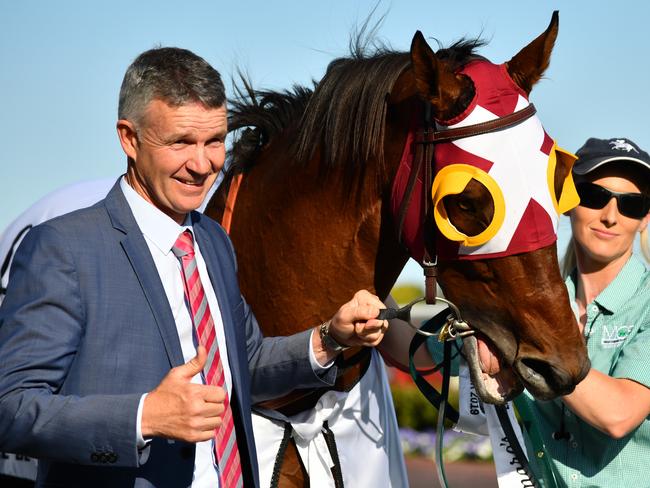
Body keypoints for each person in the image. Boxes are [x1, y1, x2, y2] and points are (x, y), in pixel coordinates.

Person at [0, 47, 388, 488]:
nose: (202, 165)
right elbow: (11, 407)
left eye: (214, 141)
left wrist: (329, 338)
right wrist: (146, 416)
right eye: (181, 142)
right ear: (129, 138)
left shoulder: (213, 242)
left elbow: (245, 366)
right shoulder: (63, 249)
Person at [518, 136, 650, 486]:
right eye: (595, 197)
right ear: (568, 201)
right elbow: (424, 350)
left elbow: (618, 414)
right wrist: (369, 304)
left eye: (631, 205)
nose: (610, 216)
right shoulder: (527, 303)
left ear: (645, 218)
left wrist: (527, 340)